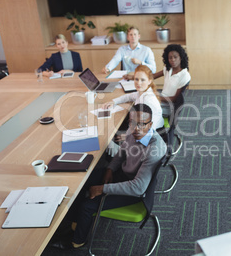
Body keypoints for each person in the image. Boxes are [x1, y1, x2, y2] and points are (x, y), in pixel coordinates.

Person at [49, 103, 167, 249]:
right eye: (132, 123)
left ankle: (77, 241)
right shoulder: (133, 131)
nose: (136, 128)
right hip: (123, 175)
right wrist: (109, 170)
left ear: (151, 124)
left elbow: (138, 188)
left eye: (142, 124)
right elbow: (121, 154)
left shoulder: (155, 148)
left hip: (134, 190)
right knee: (80, 183)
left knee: (87, 206)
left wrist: (102, 189)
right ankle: (75, 224)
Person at [104, 65, 164, 131]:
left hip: (153, 132)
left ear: (149, 81)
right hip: (141, 125)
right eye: (136, 79)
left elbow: (150, 128)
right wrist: (114, 101)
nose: (138, 83)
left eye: (142, 80)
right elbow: (129, 96)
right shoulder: (141, 92)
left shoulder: (148, 100)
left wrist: (127, 136)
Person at [153, 44, 191, 116]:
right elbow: (153, 76)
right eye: (170, 58)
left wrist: (157, 97)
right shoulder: (168, 69)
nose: (173, 60)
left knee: (142, 106)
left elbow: (174, 99)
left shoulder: (184, 75)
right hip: (162, 99)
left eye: (175, 57)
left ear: (181, 58)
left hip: (169, 106)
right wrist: (133, 77)